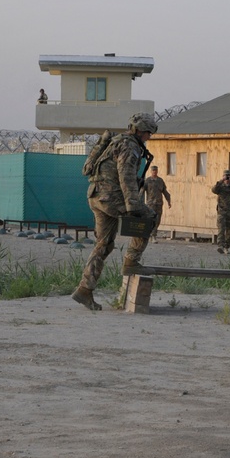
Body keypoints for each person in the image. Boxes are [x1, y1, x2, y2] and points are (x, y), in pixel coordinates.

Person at [72, 112, 158, 311]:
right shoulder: (129, 146)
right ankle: (131, 262)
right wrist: (133, 206)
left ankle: (85, 290)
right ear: (138, 131)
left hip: (95, 196)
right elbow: (126, 177)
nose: (148, 137)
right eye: (147, 133)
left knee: (103, 244)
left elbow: (92, 169)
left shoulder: (115, 141)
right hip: (111, 197)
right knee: (149, 217)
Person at [142, 165, 171, 243]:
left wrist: (168, 201)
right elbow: (142, 190)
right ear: (151, 171)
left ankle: (153, 234)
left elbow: (165, 191)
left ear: (157, 171)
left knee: (157, 220)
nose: (154, 172)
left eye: (155, 170)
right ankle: (151, 235)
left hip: (159, 204)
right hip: (150, 204)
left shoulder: (160, 181)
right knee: (150, 220)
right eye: (153, 171)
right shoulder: (147, 181)